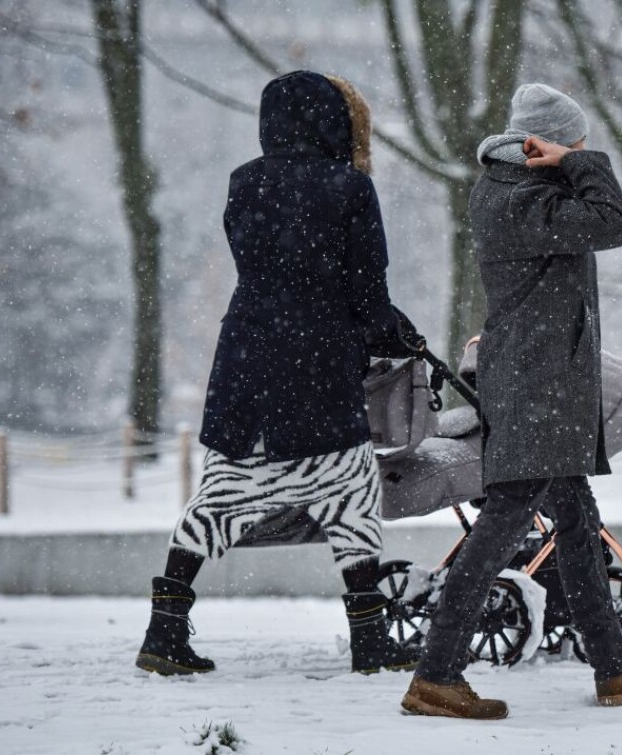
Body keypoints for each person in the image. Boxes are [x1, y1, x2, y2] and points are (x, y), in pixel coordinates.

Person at [400, 83, 622, 719]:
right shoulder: (520, 196)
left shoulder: (520, 192)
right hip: (536, 387)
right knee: (504, 524)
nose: (579, 156)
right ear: (539, 145)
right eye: (571, 145)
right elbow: (615, 222)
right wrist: (580, 163)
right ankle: (435, 675)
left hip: (543, 382)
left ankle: (614, 668)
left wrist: (566, 160)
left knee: (575, 522)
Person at [135, 70, 419, 677]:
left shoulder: (245, 181)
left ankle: (163, 630)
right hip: (317, 357)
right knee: (351, 494)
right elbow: (366, 287)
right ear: (333, 123)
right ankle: (369, 639)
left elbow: (261, 260)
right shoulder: (349, 187)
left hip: (247, 354)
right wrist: (390, 334)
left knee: (220, 497)